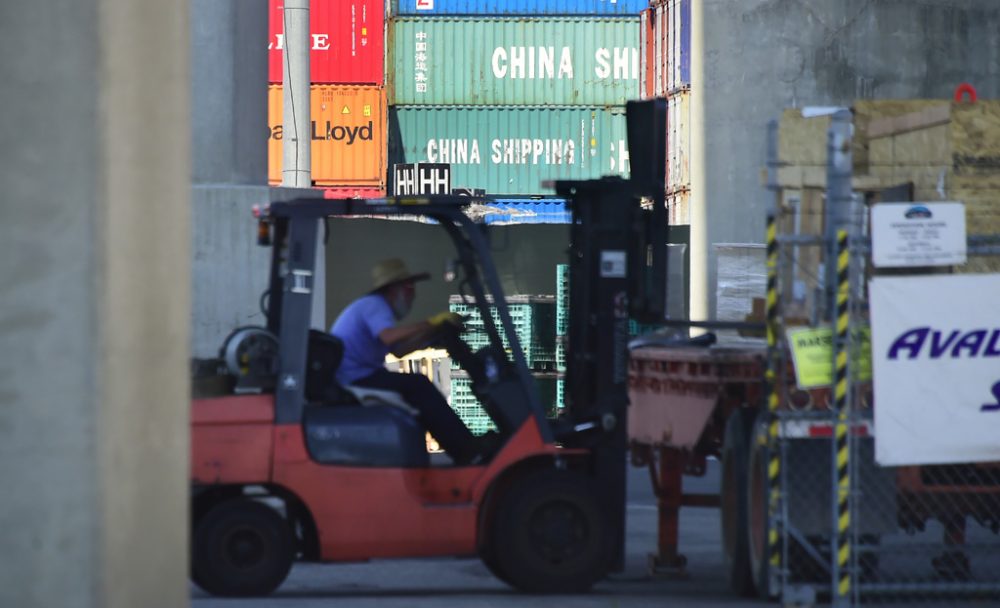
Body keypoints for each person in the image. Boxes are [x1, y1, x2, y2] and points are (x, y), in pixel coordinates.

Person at [330, 258, 486, 465]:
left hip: (360, 374)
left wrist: (433, 332)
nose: (413, 294)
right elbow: (390, 337)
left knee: (416, 386)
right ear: (394, 290)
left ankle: (463, 446)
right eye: (409, 287)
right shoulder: (375, 305)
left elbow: (400, 351)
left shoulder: (376, 309)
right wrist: (430, 322)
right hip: (354, 377)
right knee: (419, 385)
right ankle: (465, 450)